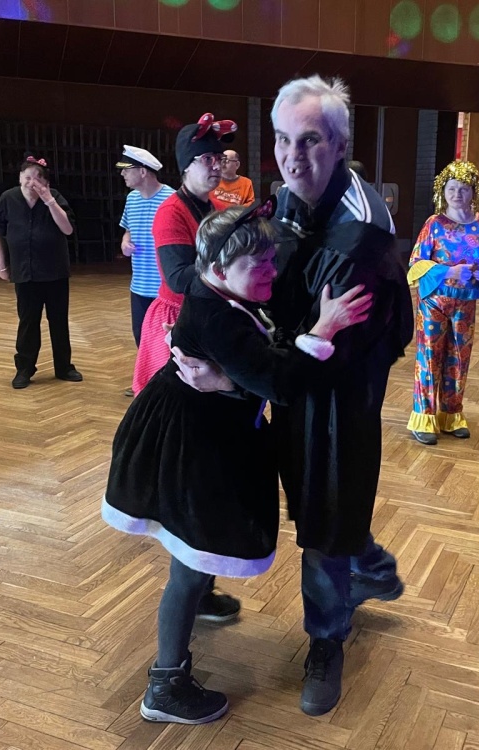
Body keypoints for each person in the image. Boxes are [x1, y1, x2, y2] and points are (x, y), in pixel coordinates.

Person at [171, 75, 413, 717]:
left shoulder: (362, 236)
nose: (291, 155)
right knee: (309, 502)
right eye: (282, 139)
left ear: (339, 145)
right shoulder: (283, 203)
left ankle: (327, 641)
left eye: (308, 141)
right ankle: (369, 562)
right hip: (287, 379)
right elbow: (253, 291)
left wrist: (235, 376)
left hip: (337, 398)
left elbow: (327, 351)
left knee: (326, 513)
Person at [102, 201, 373, 724]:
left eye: (272, 259)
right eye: (259, 264)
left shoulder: (221, 296)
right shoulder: (217, 316)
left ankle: (198, 599)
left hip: (201, 435)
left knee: (194, 550)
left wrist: (229, 379)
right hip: (192, 448)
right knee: (188, 560)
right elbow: (279, 382)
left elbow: (259, 357)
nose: (271, 270)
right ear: (220, 268)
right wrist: (324, 329)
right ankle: (165, 685)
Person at [132, 113, 235, 395]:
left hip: (209, 311)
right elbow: (178, 279)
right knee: (177, 401)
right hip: (177, 318)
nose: (217, 166)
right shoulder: (170, 211)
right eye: (208, 159)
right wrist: (230, 266)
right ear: (187, 166)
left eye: (219, 158)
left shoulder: (219, 208)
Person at [407, 160, 479, 445]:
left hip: (466, 303)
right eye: (451, 188)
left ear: (474, 191)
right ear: (442, 191)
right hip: (434, 303)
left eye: (463, 188)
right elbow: (415, 264)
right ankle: (424, 417)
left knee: (460, 357)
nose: (457, 194)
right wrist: (449, 272)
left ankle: (452, 414)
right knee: (429, 357)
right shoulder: (433, 225)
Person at [0, 155, 81, 389]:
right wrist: (1, 265)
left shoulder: (55, 198)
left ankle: (64, 367)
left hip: (55, 271)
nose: (31, 182)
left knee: (59, 321)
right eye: (27, 177)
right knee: (28, 322)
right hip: (24, 272)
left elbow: (67, 229)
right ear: (20, 178)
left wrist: (49, 200)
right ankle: (24, 369)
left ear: (46, 182)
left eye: (37, 178)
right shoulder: (8, 198)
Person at [117, 145, 175, 397]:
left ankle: (167, 388)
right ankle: (147, 384)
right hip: (139, 283)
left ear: (143, 172)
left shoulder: (172, 199)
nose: (122, 174)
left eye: (126, 169)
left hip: (165, 287)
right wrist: (125, 242)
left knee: (166, 340)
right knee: (140, 336)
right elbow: (127, 229)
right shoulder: (131, 199)